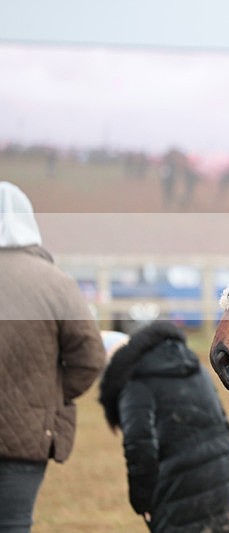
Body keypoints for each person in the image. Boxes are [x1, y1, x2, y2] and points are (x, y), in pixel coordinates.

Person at [0, 181, 106, 532]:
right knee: (14, 524)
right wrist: (50, 395)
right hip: (27, 436)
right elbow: (90, 357)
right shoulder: (56, 283)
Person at [99, 321, 229, 532]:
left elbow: (139, 448)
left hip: (177, 490)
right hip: (221, 478)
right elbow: (222, 422)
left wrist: (142, 501)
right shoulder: (195, 366)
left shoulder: (136, 382)